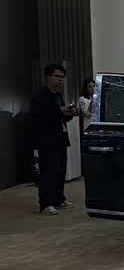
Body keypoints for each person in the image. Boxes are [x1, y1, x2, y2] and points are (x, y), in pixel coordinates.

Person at [31, 64, 78, 215]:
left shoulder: (58, 96)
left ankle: (58, 199)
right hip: (47, 139)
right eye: (57, 76)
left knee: (60, 170)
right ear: (48, 77)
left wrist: (69, 112)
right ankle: (46, 204)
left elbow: (62, 117)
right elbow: (39, 117)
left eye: (62, 77)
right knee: (48, 172)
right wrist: (59, 111)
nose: (60, 80)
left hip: (60, 138)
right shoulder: (40, 97)